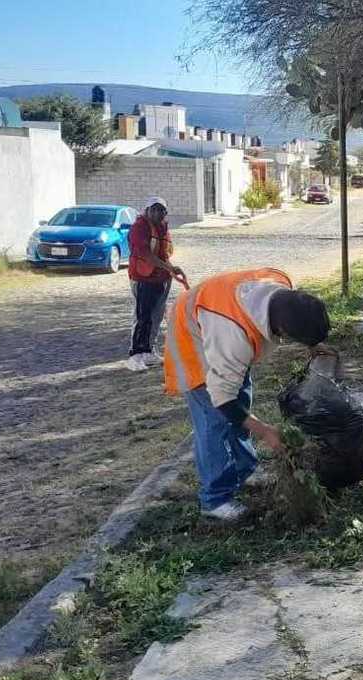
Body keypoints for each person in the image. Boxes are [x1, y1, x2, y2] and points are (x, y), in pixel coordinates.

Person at [164, 268, 331, 521]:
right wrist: (265, 431)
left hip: (218, 316)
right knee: (215, 421)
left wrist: (313, 343)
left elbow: (235, 397)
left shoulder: (281, 287)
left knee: (242, 401)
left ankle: (246, 470)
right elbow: (223, 399)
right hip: (192, 332)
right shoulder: (232, 337)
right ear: (281, 330)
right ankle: (215, 500)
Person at [125, 196, 187, 372]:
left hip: (161, 278)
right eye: (155, 209)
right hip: (143, 278)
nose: (159, 213)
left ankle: (148, 351)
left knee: (156, 317)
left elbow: (165, 252)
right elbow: (146, 255)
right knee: (142, 317)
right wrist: (170, 267)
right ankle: (135, 355)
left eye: (162, 210)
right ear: (147, 210)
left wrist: (170, 270)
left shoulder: (162, 228)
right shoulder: (139, 228)